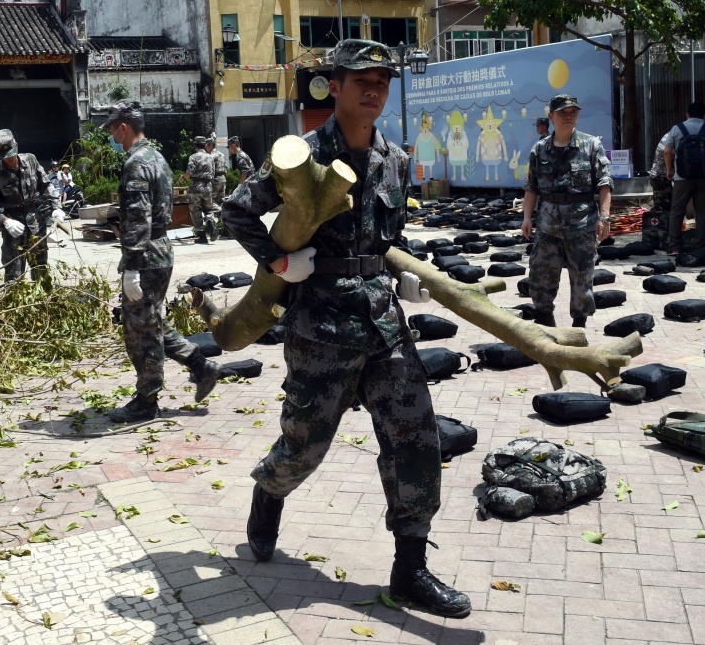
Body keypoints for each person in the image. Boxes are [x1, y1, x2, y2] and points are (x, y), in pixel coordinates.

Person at [222, 39, 470, 619]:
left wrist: (403, 271)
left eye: (382, 81)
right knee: (304, 447)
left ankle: (410, 569)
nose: (374, 90)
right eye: (361, 80)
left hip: (385, 324)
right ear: (334, 86)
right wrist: (279, 262)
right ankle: (269, 491)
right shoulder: (299, 155)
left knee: (416, 439)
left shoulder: (394, 159)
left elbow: (392, 236)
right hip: (321, 325)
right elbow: (237, 209)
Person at [105, 103, 222, 424]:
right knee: (150, 319)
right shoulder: (157, 158)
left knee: (139, 329)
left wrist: (131, 265)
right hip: (159, 248)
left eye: (112, 129)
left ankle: (146, 400)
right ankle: (201, 365)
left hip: (145, 254)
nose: (112, 136)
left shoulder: (136, 163)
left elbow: (140, 218)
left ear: (123, 128)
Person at [521, 94, 612, 329]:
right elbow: (531, 187)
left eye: (573, 113)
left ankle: (579, 325)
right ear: (551, 116)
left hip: (581, 225)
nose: (568, 117)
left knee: (582, 279)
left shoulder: (592, 145)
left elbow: (604, 184)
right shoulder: (540, 149)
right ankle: (544, 320)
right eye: (562, 113)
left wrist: (604, 217)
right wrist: (526, 218)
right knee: (541, 276)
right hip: (547, 226)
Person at [0, 129, 65, 283]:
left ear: (17, 146)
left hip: (35, 220)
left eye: (12, 155)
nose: (10, 160)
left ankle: (42, 302)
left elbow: (45, 185)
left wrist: (56, 207)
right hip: (13, 226)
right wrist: (5, 221)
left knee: (40, 267)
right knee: (14, 272)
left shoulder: (31, 160)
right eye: (6, 158)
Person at [664, 102, 705, 253]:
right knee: (702, 212)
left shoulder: (677, 129)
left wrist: (669, 169)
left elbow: (666, 151)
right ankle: (700, 247)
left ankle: (675, 247)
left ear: (687, 114)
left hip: (682, 177)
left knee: (677, 211)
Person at [178, 136, 216, 244]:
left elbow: (190, 172)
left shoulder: (193, 157)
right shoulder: (210, 157)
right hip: (208, 185)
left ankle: (201, 236)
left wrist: (182, 178)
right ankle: (211, 222)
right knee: (208, 209)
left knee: (196, 210)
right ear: (204, 145)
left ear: (195, 146)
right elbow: (213, 173)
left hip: (196, 186)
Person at [647, 137, 672, 212]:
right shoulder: (671, 139)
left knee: (661, 207)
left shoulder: (668, 136)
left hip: (658, 176)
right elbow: (668, 152)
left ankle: (663, 221)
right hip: (660, 177)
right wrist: (669, 170)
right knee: (664, 208)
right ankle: (664, 222)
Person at [207, 136, 228, 211]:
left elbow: (210, 170)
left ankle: (220, 211)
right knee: (221, 200)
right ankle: (224, 216)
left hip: (216, 179)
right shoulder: (221, 154)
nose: (205, 148)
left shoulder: (211, 156)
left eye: (207, 145)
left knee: (210, 201)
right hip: (223, 178)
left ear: (211, 145)